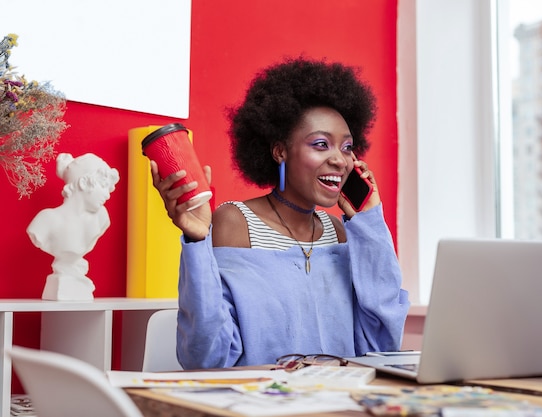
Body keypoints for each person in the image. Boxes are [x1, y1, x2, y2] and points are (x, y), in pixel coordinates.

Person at [151, 57, 410, 369]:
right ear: (280, 151)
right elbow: (207, 358)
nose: (340, 161)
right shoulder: (235, 223)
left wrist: (370, 225)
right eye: (321, 144)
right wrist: (196, 241)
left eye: (346, 147)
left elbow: (382, 345)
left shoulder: (340, 232)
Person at [27, 152, 120, 300]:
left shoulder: (101, 218)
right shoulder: (46, 220)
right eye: (103, 186)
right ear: (83, 183)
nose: (107, 195)